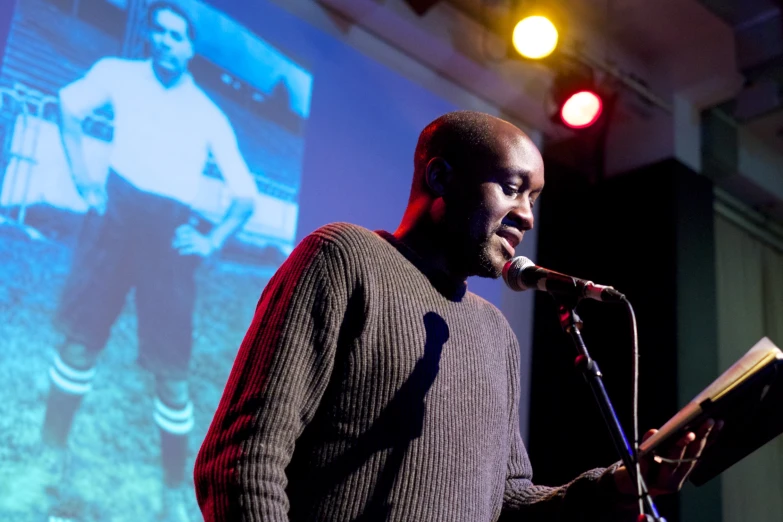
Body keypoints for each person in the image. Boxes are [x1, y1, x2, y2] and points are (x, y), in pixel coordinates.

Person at [193, 110, 718, 521]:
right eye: (512, 189)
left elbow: (507, 503)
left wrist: (621, 485)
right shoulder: (344, 258)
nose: (527, 216)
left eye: (534, 198)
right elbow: (243, 459)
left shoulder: (495, 333)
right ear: (441, 177)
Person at [38, 2, 257, 520]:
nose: (165, 41)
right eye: (158, 32)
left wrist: (211, 240)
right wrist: (85, 182)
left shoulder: (207, 114)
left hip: (168, 240)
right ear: (151, 38)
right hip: (113, 224)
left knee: (172, 373)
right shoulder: (119, 75)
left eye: (176, 35)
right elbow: (68, 105)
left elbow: (243, 195)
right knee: (78, 344)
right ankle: (52, 453)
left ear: (190, 46)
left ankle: (171, 488)